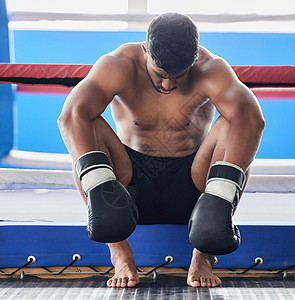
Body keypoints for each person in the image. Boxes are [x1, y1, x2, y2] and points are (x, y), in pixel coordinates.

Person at [58, 13, 265, 288]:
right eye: (160, 75)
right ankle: (119, 252)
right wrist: (96, 182)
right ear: (145, 51)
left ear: (192, 62)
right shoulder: (119, 65)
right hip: (128, 184)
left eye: (177, 77)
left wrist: (223, 194)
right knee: (85, 124)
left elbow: (252, 119)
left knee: (236, 122)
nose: (167, 85)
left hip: (194, 185)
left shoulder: (210, 69)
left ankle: (203, 255)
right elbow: (70, 115)